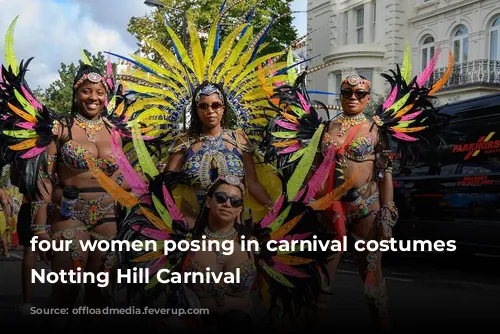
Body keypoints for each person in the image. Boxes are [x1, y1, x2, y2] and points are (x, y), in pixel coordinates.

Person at [264, 46, 454, 331]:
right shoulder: (325, 127)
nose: (353, 98)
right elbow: (314, 170)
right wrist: (306, 202)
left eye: (360, 94)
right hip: (330, 210)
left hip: (366, 209)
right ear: (340, 96)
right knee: (322, 278)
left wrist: (388, 212)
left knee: (371, 275)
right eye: (347, 93)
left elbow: (385, 172)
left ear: (367, 98)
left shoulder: (377, 129)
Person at [165, 82, 275, 227]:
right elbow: (167, 185)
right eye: (203, 106)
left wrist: (274, 207)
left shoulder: (239, 140)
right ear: (196, 110)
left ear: (223, 109)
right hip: (193, 224)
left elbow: (252, 184)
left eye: (215, 105)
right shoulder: (184, 143)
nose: (210, 111)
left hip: (235, 224)